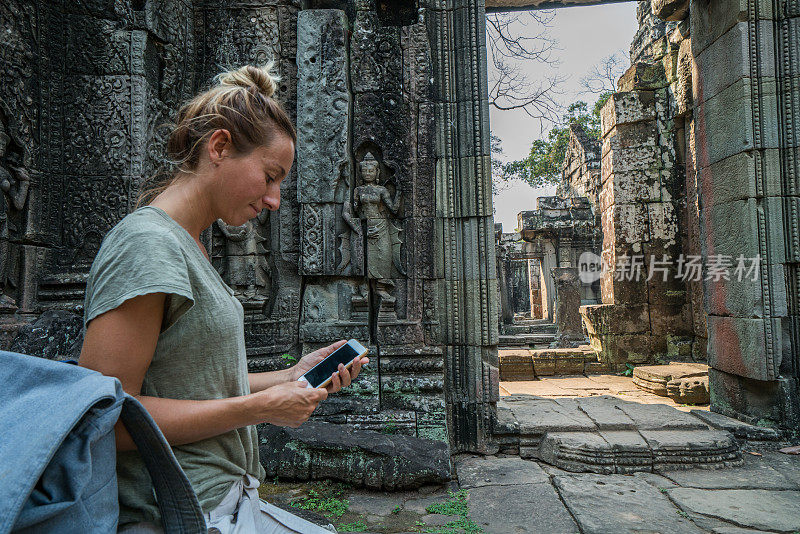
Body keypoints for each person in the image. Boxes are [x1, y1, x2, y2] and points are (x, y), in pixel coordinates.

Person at [78, 63, 368, 533]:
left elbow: (193, 381)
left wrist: (289, 376)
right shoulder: (147, 245)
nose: (275, 199)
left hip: (227, 502)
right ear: (219, 147)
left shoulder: (187, 241)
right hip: (178, 512)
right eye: (270, 176)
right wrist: (262, 408)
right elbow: (105, 419)